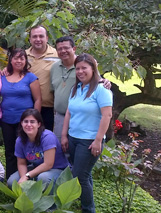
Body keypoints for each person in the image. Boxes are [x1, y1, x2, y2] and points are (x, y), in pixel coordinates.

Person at [61, 53, 113, 213]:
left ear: (93, 68)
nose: (80, 71)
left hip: (89, 141)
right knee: (84, 174)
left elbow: (107, 115)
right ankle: (86, 203)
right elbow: (69, 113)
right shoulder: (76, 89)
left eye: (84, 68)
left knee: (80, 176)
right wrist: (64, 135)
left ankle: (88, 209)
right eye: (77, 68)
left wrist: (98, 140)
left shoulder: (101, 90)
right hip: (74, 138)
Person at [50, 36, 111, 140]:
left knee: (76, 149)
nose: (63, 51)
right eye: (59, 49)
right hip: (60, 117)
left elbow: (97, 82)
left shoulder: (83, 65)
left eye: (66, 48)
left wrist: (106, 82)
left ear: (74, 49)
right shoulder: (54, 67)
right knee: (60, 149)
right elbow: (53, 91)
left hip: (80, 117)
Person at [0, 48, 42, 179]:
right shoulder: (3, 76)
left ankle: (29, 177)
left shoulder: (31, 77)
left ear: (25, 61)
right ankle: (11, 179)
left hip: (25, 122)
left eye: (22, 58)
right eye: (16, 58)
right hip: (6, 120)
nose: (18, 61)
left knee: (27, 150)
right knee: (10, 151)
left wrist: (34, 120)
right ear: (10, 60)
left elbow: (38, 99)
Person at [6, 109, 69, 189]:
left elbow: (48, 164)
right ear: (21, 123)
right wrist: (23, 178)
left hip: (56, 169)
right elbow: (21, 163)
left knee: (43, 178)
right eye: (26, 121)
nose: (29, 125)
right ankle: (29, 198)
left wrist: (28, 175)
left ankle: (51, 199)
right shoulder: (20, 140)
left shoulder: (48, 137)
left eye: (32, 122)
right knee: (12, 181)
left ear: (39, 124)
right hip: (36, 168)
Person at [25, 25, 59, 131]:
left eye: (41, 36)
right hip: (27, 106)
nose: (38, 39)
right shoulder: (23, 56)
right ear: (30, 39)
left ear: (47, 38)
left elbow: (78, 63)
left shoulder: (58, 54)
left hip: (50, 107)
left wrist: (99, 78)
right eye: (34, 37)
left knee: (47, 139)